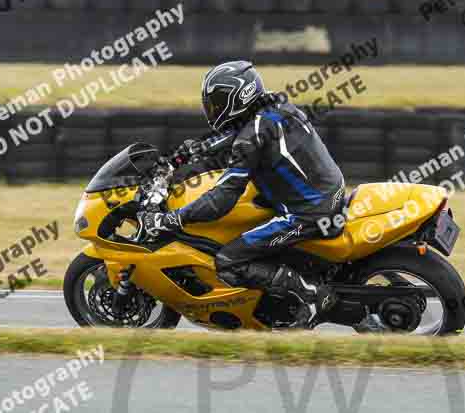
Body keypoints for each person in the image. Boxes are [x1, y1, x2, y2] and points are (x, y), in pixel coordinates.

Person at [143, 60, 346, 328]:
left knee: (229, 260)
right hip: (329, 192)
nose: (211, 110)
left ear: (236, 99)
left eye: (216, 103)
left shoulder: (251, 138)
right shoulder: (277, 108)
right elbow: (243, 134)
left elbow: (221, 201)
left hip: (308, 213)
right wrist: (193, 152)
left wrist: (174, 219)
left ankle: (312, 296)